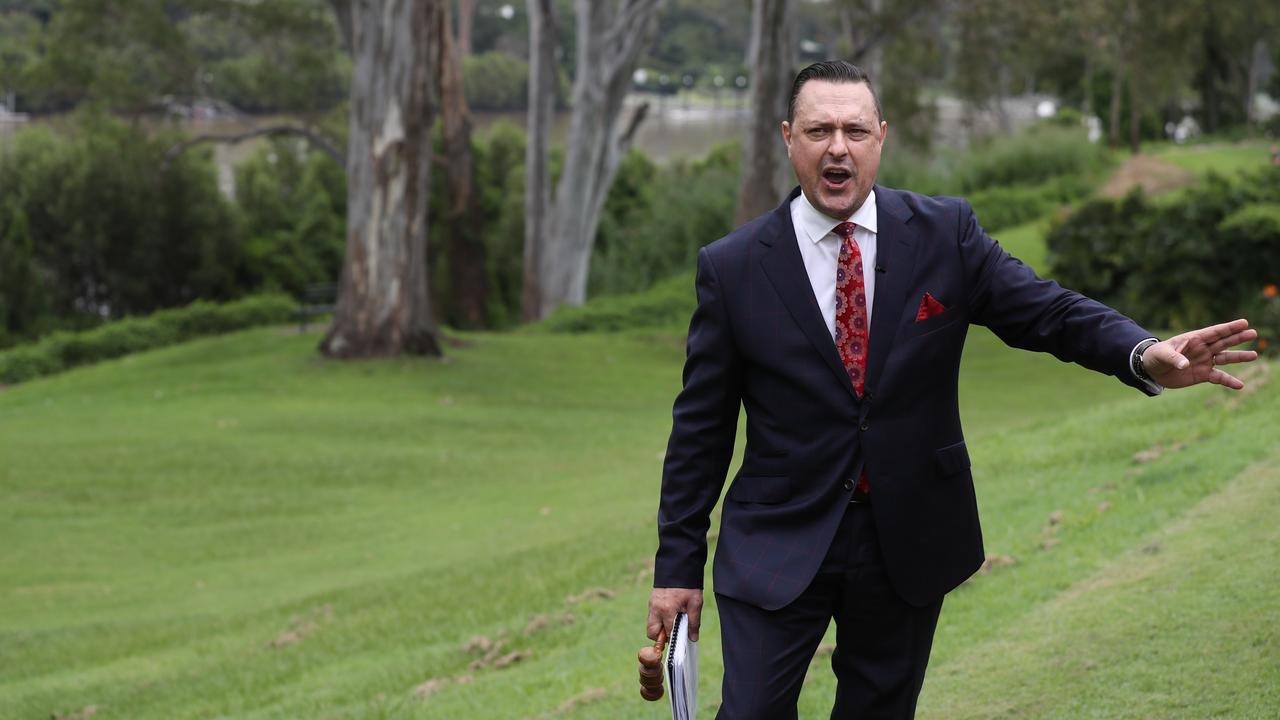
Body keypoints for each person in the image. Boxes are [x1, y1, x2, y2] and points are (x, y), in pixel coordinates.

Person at [644, 60, 1258, 720]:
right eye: (819, 130)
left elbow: (1047, 311)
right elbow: (701, 430)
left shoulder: (945, 234)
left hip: (907, 538)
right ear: (788, 137)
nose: (838, 148)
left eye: (855, 130)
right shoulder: (732, 267)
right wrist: (677, 567)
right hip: (776, 540)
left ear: (881, 136)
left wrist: (1140, 353)